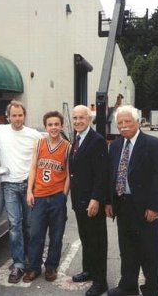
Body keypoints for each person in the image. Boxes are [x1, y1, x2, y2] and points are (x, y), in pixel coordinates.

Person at [105, 105, 158, 296]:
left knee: (149, 252)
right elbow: (112, 175)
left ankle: (151, 290)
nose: (124, 126)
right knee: (127, 250)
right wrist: (109, 201)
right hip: (122, 205)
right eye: (120, 123)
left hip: (145, 208)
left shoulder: (153, 144)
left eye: (127, 122)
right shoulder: (116, 145)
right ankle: (128, 286)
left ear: (137, 122)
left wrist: (154, 206)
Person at [0, 100, 41, 283]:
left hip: (29, 186)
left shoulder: (34, 135)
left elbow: (46, 153)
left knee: (30, 226)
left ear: (25, 116)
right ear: (8, 116)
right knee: (14, 226)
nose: (17, 119)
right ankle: (18, 265)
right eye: (14, 115)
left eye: (20, 115)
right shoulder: (1, 131)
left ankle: (32, 261)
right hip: (9, 185)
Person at [23, 111, 71, 283]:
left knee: (56, 236)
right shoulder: (39, 144)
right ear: (46, 127)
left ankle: (51, 267)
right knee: (36, 234)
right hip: (40, 196)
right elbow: (34, 168)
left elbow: (68, 174)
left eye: (56, 124)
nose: (53, 128)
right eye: (50, 125)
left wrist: (63, 195)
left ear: (61, 126)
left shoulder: (67, 147)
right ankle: (34, 267)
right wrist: (30, 190)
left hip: (57, 196)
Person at [69, 105, 109, 296]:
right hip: (79, 201)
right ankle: (89, 270)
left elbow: (102, 174)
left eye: (81, 118)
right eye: (75, 118)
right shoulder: (76, 139)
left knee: (97, 241)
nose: (77, 121)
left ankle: (101, 282)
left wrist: (96, 199)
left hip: (92, 202)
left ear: (89, 119)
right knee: (86, 238)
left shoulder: (97, 140)